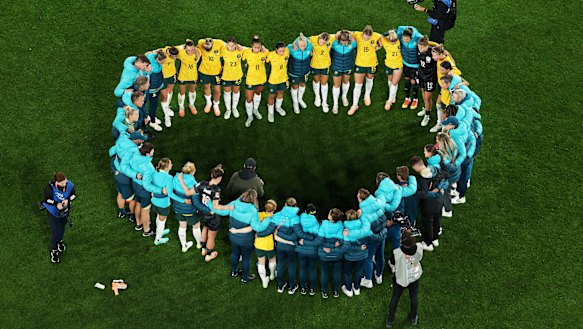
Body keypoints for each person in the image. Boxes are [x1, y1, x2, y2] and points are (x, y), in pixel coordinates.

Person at [207, 189, 271, 283]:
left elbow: (221, 211)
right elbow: (258, 227)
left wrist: (208, 202)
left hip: (233, 237)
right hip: (246, 240)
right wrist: (268, 219)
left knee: (235, 253)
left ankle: (234, 272)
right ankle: (245, 278)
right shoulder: (253, 211)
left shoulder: (235, 203)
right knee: (246, 258)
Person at [258, 197, 300, 294]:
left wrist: (259, 235)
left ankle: (280, 287)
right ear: (295, 206)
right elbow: (295, 235)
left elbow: (269, 230)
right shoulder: (297, 219)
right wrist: (288, 240)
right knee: (292, 266)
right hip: (291, 247)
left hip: (280, 246)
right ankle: (291, 287)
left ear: (285, 204)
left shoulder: (276, 216)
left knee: (280, 265)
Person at [124, 142, 167, 237]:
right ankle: (146, 230)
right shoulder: (148, 168)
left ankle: (138, 224)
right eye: (152, 151)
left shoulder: (135, 154)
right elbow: (147, 185)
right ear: (147, 153)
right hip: (143, 189)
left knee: (138, 203)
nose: (153, 152)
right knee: (146, 209)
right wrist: (160, 190)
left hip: (135, 184)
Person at [385, 230, 423, 328]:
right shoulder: (419, 247)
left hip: (401, 279)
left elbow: (392, 263)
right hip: (414, 276)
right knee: (414, 297)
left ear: (402, 240)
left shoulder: (397, 253)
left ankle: (390, 320)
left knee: (395, 298)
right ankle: (413, 317)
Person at [108, 130, 146, 223]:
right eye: (140, 139)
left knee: (120, 193)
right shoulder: (133, 151)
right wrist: (136, 175)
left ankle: (121, 212)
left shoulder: (121, 140)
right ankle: (132, 215)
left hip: (118, 174)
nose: (142, 141)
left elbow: (112, 153)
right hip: (125, 177)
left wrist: (115, 170)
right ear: (136, 140)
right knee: (132, 198)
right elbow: (126, 167)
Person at [357, 188, 389, 289]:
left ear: (362, 199)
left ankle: (368, 280)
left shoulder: (363, 214)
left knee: (368, 259)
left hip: (373, 239)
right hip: (382, 234)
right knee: (380, 255)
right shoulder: (378, 205)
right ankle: (379, 276)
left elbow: (366, 231)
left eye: (358, 197)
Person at [410, 156, 443, 251]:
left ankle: (428, 243)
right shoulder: (435, 170)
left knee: (428, 223)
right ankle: (435, 239)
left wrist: (414, 192)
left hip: (429, 205)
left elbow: (424, 194)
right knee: (437, 220)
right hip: (439, 200)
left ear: (415, 167)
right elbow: (444, 176)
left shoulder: (422, 178)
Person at [149, 158, 185, 245]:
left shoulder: (154, 173)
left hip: (154, 200)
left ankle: (160, 231)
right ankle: (158, 239)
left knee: (158, 216)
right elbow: (170, 194)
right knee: (162, 221)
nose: (172, 165)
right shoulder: (168, 178)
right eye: (170, 164)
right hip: (163, 203)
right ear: (166, 167)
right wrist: (182, 200)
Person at [42, 172, 76, 263]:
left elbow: (73, 195)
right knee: (55, 232)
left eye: (65, 182)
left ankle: (59, 241)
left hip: (64, 211)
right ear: (56, 182)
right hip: (53, 212)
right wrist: (57, 204)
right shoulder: (49, 187)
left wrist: (67, 200)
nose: (64, 184)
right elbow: (47, 199)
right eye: (61, 183)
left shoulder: (69, 185)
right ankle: (54, 250)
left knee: (62, 228)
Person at [348, 26, 382, 116]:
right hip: (360, 63)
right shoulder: (357, 34)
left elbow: (381, 37)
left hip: (372, 63)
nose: (367, 38)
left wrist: (379, 46)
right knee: (358, 84)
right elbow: (349, 32)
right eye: (365, 36)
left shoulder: (375, 36)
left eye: (369, 37)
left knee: (369, 79)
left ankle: (367, 95)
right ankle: (354, 105)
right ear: (363, 33)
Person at [195, 164, 226, 262]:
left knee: (205, 227)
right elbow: (216, 205)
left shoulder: (203, 183)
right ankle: (208, 254)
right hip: (212, 215)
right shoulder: (216, 190)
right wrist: (227, 208)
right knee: (211, 235)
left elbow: (195, 191)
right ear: (219, 178)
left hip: (203, 212)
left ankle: (203, 248)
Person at [341, 209, 372, 297]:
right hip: (362, 255)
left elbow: (347, 246)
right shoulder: (364, 227)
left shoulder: (345, 231)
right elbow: (369, 238)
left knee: (348, 272)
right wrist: (360, 248)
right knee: (359, 271)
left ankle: (349, 289)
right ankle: (357, 288)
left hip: (349, 257)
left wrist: (357, 247)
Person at [293, 203, 320, 296]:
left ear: (305, 211)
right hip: (312, 251)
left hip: (301, 250)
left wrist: (302, 242)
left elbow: (296, 234)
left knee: (302, 269)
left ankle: (303, 288)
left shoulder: (299, 220)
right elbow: (317, 240)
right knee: (312, 269)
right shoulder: (317, 224)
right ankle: (312, 289)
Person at [318, 208, 344, 298]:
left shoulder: (323, 225)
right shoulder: (341, 225)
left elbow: (319, 240)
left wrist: (325, 246)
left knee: (324, 272)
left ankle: (324, 292)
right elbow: (343, 239)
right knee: (336, 272)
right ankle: (336, 291)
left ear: (331, 217)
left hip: (324, 254)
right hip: (337, 254)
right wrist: (338, 243)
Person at [242, 36, 269, 127]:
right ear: (251, 46)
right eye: (255, 47)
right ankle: (250, 116)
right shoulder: (247, 53)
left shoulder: (265, 53)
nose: (257, 49)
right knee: (249, 99)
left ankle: (255, 110)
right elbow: (240, 50)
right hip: (250, 79)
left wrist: (264, 49)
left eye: (259, 47)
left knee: (257, 93)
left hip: (261, 78)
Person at [396, 26, 423, 110]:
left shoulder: (418, 37)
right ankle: (407, 98)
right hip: (405, 63)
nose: (405, 40)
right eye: (404, 39)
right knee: (407, 79)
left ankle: (415, 99)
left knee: (413, 81)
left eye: (407, 39)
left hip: (415, 65)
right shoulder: (401, 33)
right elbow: (396, 29)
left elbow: (426, 43)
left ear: (411, 37)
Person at [330, 30, 357, 115]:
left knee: (346, 82)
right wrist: (336, 33)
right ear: (339, 39)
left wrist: (350, 33)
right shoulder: (333, 43)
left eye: (345, 41)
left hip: (348, 66)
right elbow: (325, 37)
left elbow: (359, 35)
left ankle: (344, 97)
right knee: (336, 85)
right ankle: (335, 103)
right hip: (336, 67)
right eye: (342, 41)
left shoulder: (353, 43)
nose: (343, 43)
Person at [197, 37, 226, 116]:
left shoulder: (219, 43)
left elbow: (229, 46)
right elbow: (195, 48)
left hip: (216, 72)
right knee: (206, 86)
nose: (207, 50)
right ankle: (208, 103)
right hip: (204, 71)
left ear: (212, 44)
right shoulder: (200, 43)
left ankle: (216, 105)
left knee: (217, 90)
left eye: (209, 49)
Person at [221, 37, 246, 120]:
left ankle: (234, 108)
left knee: (236, 91)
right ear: (226, 44)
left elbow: (251, 50)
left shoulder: (240, 50)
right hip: (226, 76)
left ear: (236, 45)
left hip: (237, 75)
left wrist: (241, 46)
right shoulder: (223, 49)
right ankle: (228, 109)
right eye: (229, 45)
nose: (230, 47)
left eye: (232, 46)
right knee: (227, 92)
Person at [436, 132, 460, 218]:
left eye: (437, 140)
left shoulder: (442, 156)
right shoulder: (453, 145)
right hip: (456, 173)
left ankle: (447, 210)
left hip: (449, 177)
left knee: (446, 194)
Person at [288, 34, 313, 114]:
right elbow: (281, 49)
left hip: (305, 71)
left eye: (304, 46)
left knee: (302, 84)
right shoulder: (291, 48)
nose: (302, 48)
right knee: (295, 86)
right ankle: (295, 103)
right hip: (295, 72)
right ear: (297, 44)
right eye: (301, 46)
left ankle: (300, 99)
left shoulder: (310, 46)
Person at [415, 36, 438, 127]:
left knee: (428, 98)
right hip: (421, 75)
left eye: (421, 47)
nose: (419, 49)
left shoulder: (432, 52)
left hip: (430, 78)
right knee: (424, 94)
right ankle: (426, 109)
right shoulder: (419, 51)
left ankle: (427, 115)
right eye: (419, 47)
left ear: (426, 46)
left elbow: (442, 51)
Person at [309, 32, 334, 112]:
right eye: (321, 41)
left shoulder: (331, 39)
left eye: (324, 43)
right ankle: (317, 97)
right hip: (315, 65)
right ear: (319, 37)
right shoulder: (313, 39)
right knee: (316, 81)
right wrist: (309, 50)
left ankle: (324, 102)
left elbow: (338, 34)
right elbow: (303, 40)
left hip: (325, 65)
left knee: (324, 83)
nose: (321, 43)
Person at [176, 39, 201, 118]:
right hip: (182, 76)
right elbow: (170, 49)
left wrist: (196, 51)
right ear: (185, 48)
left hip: (193, 76)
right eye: (189, 50)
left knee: (192, 91)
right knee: (182, 93)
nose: (191, 52)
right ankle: (181, 107)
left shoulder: (198, 52)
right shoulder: (181, 53)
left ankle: (191, 105)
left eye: (192, 49)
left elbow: (199, 49)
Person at [380, 30, 403, 111]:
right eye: (391, 40)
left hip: (398, 65)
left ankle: (389, 101)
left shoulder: (400, 41)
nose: (393, 42)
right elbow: (379, 36)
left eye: (394, 40)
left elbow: (400, 30)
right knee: (390, 80)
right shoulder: (384, 41)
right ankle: (393, 95)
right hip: (388, 64)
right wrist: (386, 33)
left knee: (394, 83)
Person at [266, 42, 289, 122]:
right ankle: (270, 112)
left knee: (281, 93)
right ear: (276, 50)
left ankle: (278, 107)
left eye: (283, 50)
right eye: (280, 51)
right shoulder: (271, 55)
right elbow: (264, 58)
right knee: (272, 96)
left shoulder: (287, 51)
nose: (282, 53)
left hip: (283, 79)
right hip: (273, 80)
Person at [144, 49, 168, 129]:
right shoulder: (153, 68)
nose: (163, 63)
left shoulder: (152, 56)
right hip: (152, 89)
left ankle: (151, 117)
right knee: (153, 105)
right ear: (157, 59)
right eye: (162, 62)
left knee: (152, 104)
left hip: (156, 86)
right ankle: (152, 122)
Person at [159, 46, 179, 120]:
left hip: (172, 75)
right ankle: (166, 116)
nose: (176, 58)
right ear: (169, 55)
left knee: (170, 92)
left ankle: (167, 107)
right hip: (163, 76)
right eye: (174, 57)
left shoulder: (171, 48)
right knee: (164, 96)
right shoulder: (162, 54)